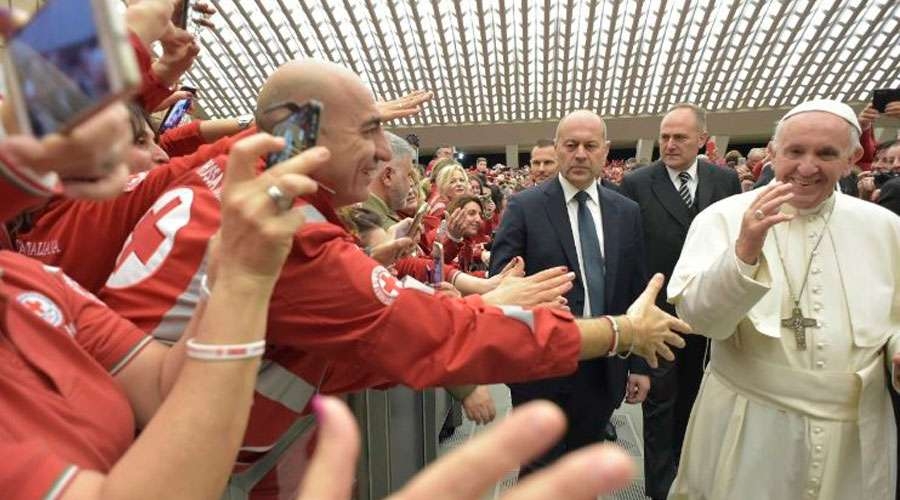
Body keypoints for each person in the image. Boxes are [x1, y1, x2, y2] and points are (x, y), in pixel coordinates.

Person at [97, 60, 690, 498]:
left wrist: (472, 303)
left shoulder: (227, 173)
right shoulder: (284, 233)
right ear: (301, 134)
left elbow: (346, 341)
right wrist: (617, 332)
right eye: (370, 130)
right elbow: (430, 335)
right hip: (177, 472)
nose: (386, 152)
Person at [667, 99, 900, 499]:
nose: (807, 168)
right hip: (750, 421)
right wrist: (743, 253)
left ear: (853, 157)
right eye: (795, 152)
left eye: (826, 154)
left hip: (853, 430)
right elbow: (700, 319)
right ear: (773, 154)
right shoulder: (722, 218)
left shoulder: (886, 228)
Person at [490, 110, 652, 475]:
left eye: (590, 146)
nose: (580, 154)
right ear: (558, 149)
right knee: (538, 469)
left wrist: (639, 364)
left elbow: (636, 288)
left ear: (605, 151)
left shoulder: (626, 213)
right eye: (571, 145)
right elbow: (501, 283)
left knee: (584, 471)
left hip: (603, 366)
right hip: (540, 365)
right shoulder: (524, 207)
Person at [619, 103, 741, 500]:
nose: (669, 145)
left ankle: (693, 484)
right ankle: (661, 490)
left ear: (702, 141)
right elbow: (633, 253)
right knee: (659, 409)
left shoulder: (723, 181)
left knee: (700, 404)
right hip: (660, 316)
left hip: (710, 315)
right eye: (665, 137)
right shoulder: (638, 183)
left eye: (680, 138)